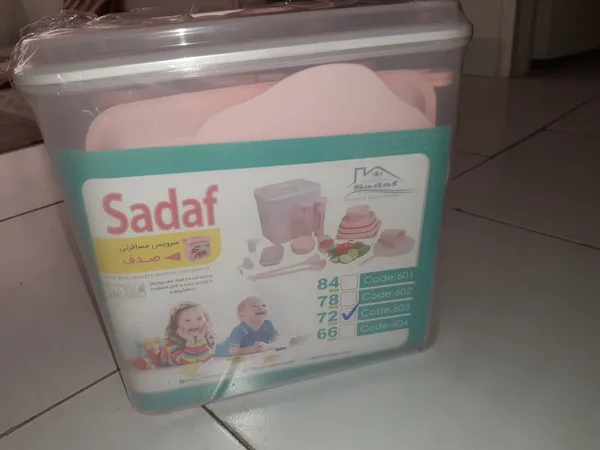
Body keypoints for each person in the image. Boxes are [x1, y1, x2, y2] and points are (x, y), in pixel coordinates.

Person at [134, 302, 215, 370]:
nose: (194, 323)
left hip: (186, 357)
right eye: (187, 320)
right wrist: (190, 340)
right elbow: (187, 363)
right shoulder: (172, 342)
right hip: (165, 358)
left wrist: (200, 338)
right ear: (176, 326)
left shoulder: (209, 337)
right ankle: (150, 357)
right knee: (156, 357)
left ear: (206, 321)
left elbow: (205, 359)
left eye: (199, 318)